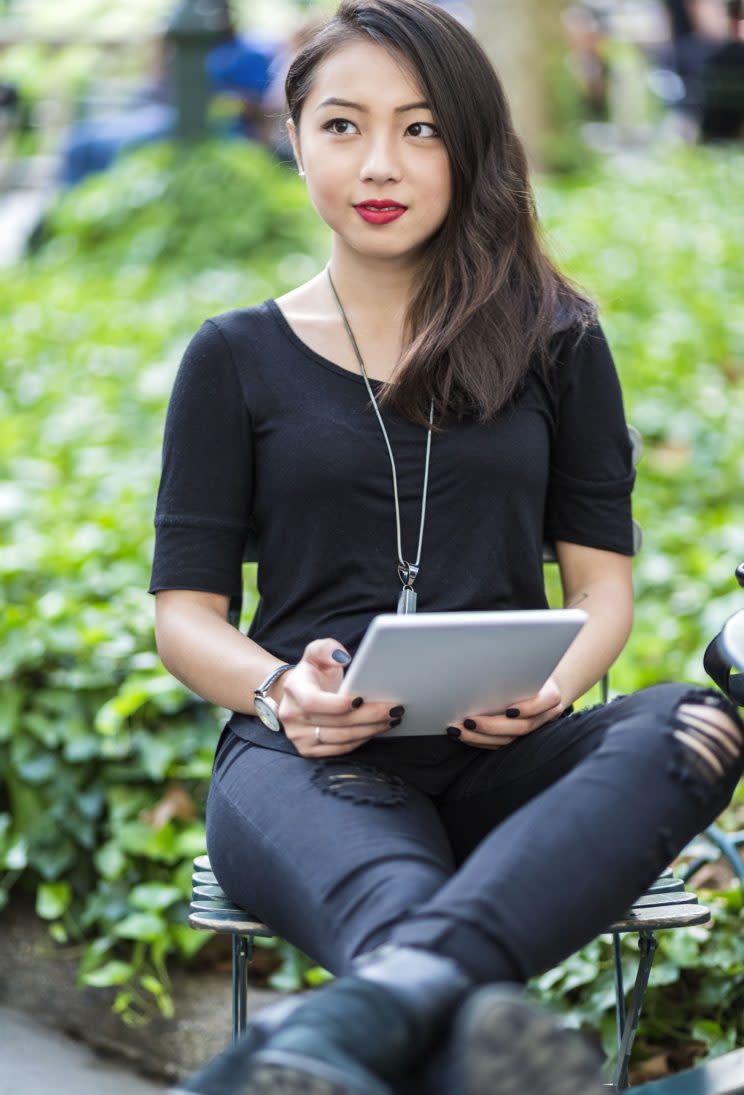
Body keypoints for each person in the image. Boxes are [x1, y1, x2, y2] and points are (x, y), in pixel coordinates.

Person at [149, 2, 744, 1092]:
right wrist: (282, 690)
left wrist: (555, 687)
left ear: (470, 145)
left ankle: (341, 1036)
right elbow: (185, 617)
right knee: (400, 913)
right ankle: (431, 1015)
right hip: (309, 765)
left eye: (421, 128)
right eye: (343, 126)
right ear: (294, 137)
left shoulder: (558, 342)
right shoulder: (233, 357)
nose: (381, 162)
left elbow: (602, 588)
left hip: (510, 757)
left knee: (694, 718)